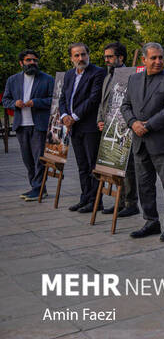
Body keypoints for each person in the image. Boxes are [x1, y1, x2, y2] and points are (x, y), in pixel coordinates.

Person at [120, 43, 164, 242]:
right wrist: (133, 123)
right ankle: (151, 222)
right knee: (144, 185)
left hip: (163, 142)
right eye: (154, 58)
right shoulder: (134, 79)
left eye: (161, 58)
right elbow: (126, 105)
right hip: (139, 142)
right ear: (144, 60)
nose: (158, 62)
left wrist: (148, 125)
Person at [59, 43, 105, 213]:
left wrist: (74, 117)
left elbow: (93, 99)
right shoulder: (69, 74)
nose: (81, 58)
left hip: (89, 126)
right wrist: (64, 116)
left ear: (88, 54)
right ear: (71, 58)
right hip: (74, 128)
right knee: (82, 165)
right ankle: (85, 197)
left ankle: (95, 201)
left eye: (83, 54)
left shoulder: (97, 72)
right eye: (77, 55)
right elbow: (63, 98)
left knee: (93, 165)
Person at [2, 50, 54, 201]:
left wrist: (36, 102)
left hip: (39, 125)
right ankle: (37, 187)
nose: (32, 63)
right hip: (21, 125)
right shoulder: (12, 80)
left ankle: (38, 189)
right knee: (27, 159)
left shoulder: (47, 79)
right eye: (28, 60)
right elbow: (5, 100)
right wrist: (14, 103)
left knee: (39, 159)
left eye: (35, 60)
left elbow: (53, 100)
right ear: (21, 63)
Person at [96, 42, 139, 217]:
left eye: (110, 56)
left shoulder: (131, 76)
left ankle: (131, 203)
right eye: (105, 56)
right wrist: (100, 119)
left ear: (120, 57)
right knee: (114, 167)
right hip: (108, 128)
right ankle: (119, 203)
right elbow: (103, 102)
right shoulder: (107, 76)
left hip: (124, 128)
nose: (106, 60)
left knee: (127, 168)